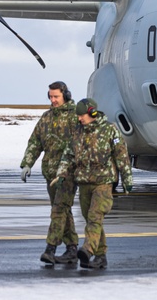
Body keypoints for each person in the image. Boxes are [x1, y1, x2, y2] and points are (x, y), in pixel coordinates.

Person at [54, 98, 133, 270]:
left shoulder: (110, 131)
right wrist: (61, 173)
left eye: (82, 115)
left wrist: (127, 179)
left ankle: (88, 249)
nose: (80, 119)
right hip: (84, 182)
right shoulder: (77, 132)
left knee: (95, 217)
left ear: (92, 113)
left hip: (103, 182)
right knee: (91, 220)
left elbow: (122, 156)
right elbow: (68, 155)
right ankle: (101, 256)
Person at [20, 81, 79, 265]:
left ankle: (50, 248)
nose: (53, 100)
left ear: (65, 96)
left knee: (58, 210)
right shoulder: (46, 118)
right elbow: (35, 142)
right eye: (51, 97)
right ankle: (72, 248)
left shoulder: (75, 117)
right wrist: (27, 163)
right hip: (50, 174)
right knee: (63, 210)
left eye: (56, 97)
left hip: (68, 174)